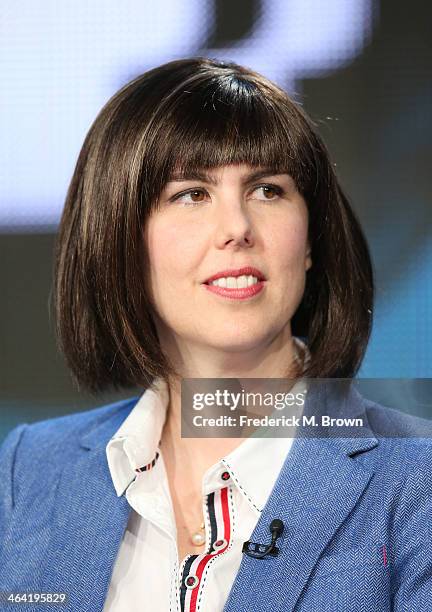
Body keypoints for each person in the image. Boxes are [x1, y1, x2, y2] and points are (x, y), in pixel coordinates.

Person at [0, 57, 431, 612]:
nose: (237, 229)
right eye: (191, 193)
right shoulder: (28, 470)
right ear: (117, 240)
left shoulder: (416, 479)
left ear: (310, 244)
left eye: (268, 190)